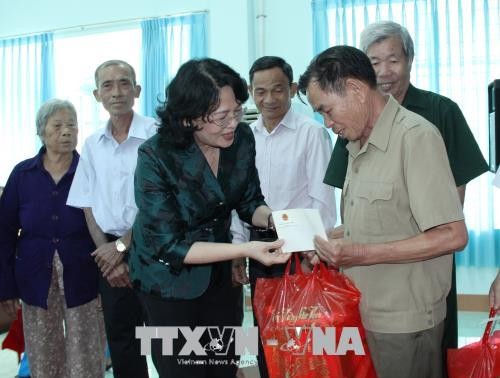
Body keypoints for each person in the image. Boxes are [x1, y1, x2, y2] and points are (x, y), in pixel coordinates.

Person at [298, 45, 468, 378]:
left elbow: (452, 235)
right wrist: (331, 241)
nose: (327, 123)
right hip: (360, 310)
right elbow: (382, 221)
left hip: (402, 322)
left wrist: (361, 253)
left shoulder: (414, 138)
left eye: (328, 110)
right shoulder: (355, 144)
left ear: (356, 90)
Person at [324, 21, 488, 362]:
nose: (385, 71)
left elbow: (452, 206)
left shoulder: (437, 115)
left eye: (393, 59)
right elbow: (349, 198)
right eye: (374, 61)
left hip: (424, 260)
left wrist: (413, 234)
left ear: (410, 60)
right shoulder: (353, 122)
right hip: (373, 283)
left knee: (434, 350)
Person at [128, 57, 290, 378]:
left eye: (237, 111)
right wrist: (244, 251)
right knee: (183, 370)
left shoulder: (241, 139)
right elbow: (170, 245)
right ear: (189, 118)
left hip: (217, 279)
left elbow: (249, 202)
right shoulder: (155, 156)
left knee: (222, 366)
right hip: (165, 285)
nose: (233, 123)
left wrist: (279, 220)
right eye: (221, 117)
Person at [230, 55, 336, 378]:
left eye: (278, 89)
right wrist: (238, 251)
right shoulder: (243, 136)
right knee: (265, 333)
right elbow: (237, 200)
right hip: (259, 251)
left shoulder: (311, 134)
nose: (269, 99)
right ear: (250, 92)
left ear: (291, 89)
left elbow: (324, 201)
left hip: (300, 253)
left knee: (302, 336)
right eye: (260, 91)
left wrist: (313, 252)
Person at [0, 99, 105, 378]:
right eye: (57, 125)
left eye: (72, 125)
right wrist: (6, 288)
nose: (67, 131)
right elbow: (5, 232)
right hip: (34, 275)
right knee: (43, 352)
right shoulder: (23, 175)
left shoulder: (91, 172)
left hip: (84, 275)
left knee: (87, 350)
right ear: (41, 132)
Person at [67, 60, 156, 378]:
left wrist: (121, 247)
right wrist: (110, 255)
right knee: (122, 341)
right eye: (107, 85)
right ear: (96, 94)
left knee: (162, 340)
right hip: (109, 253)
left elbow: (161, 203)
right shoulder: (92, 145)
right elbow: (87, 204)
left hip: (155, 250)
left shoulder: (156, 137)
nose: (116, 92)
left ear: (137, 90)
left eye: (123, 83)